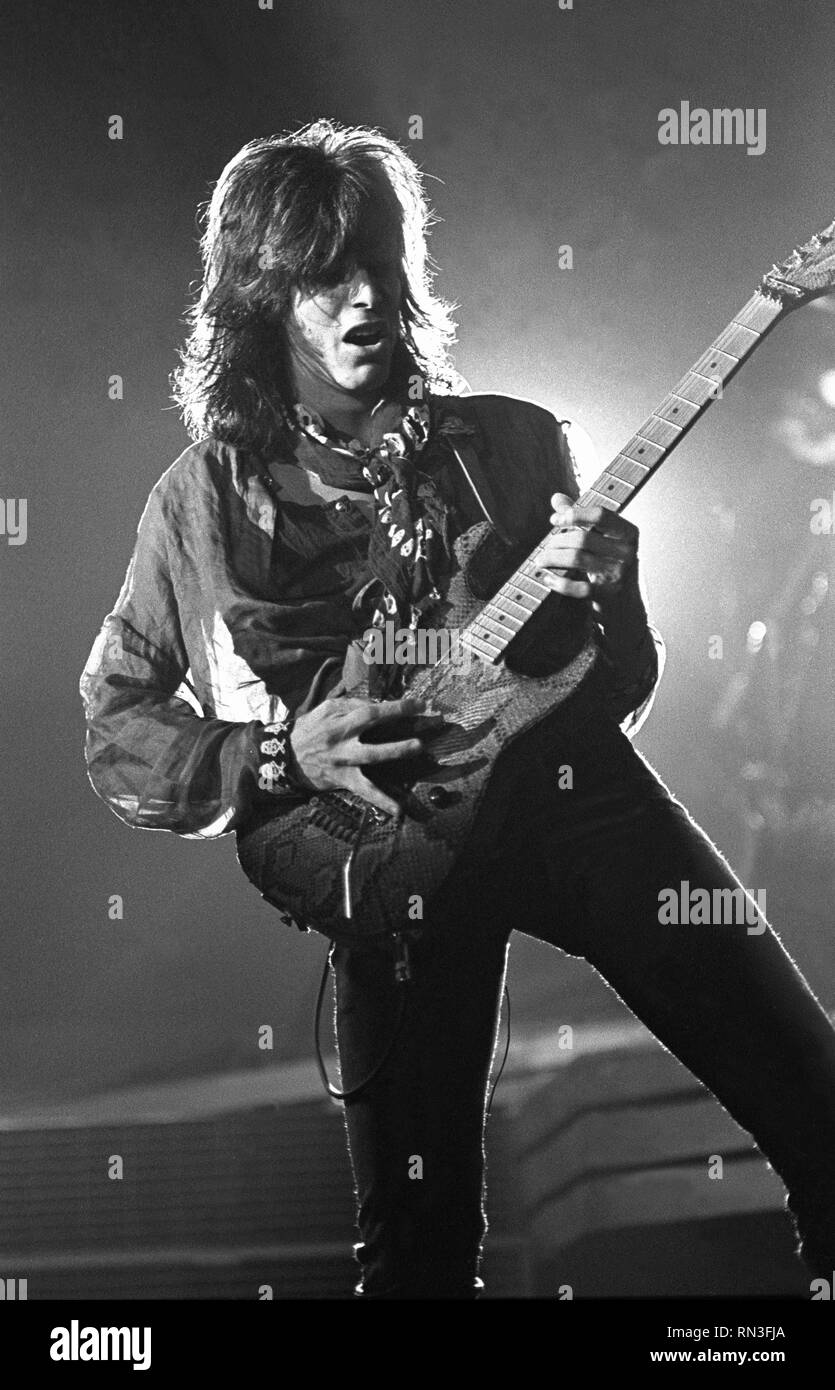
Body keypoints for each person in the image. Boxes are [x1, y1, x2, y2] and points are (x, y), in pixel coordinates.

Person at [79, 119, 835, 1300]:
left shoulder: (510, 441)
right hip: (390, 854)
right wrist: (279, 751)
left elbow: (615, 688)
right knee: (420, 1250)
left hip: (573, 803)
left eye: (380, 261)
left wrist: (613, 597)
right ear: (262, 299)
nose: (366, 295)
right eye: (329, 273)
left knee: (819, 1102)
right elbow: (117, 725)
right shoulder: (197, 506)